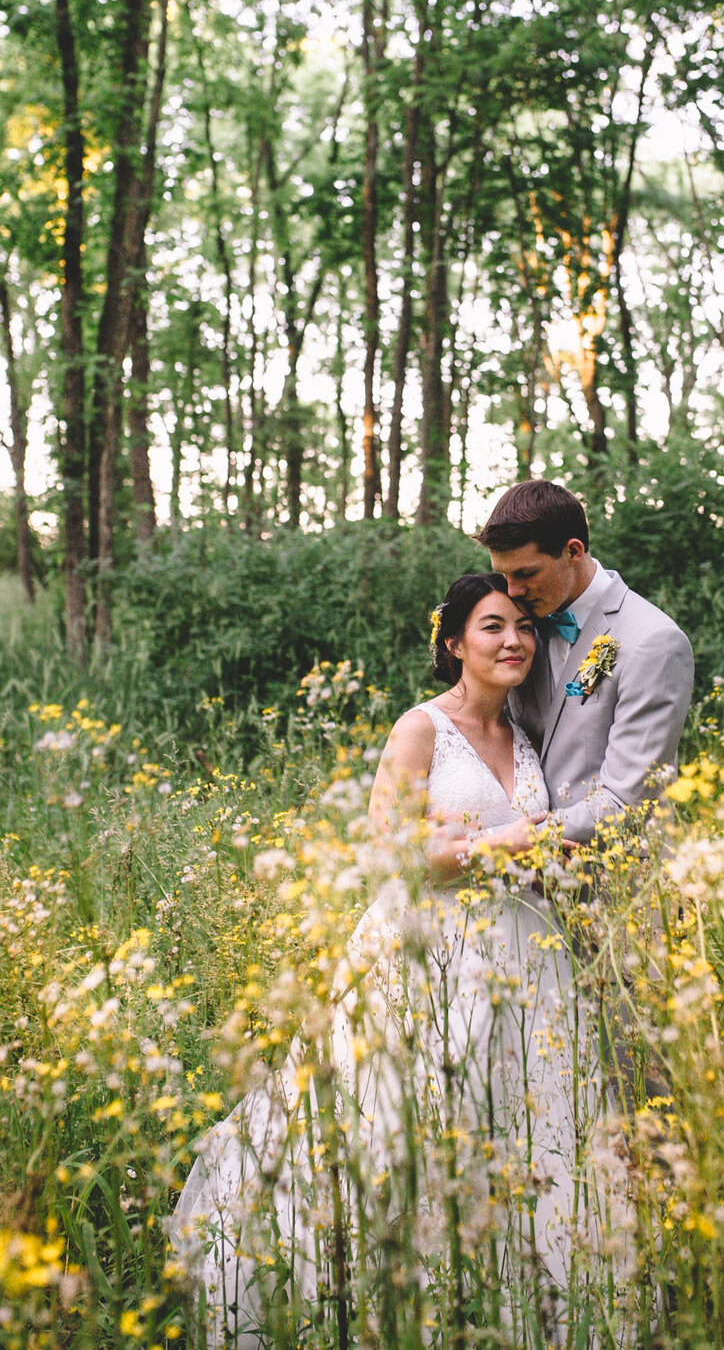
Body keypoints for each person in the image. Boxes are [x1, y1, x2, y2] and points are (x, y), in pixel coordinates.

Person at [167, 574, 612, 1347]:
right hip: (427, 955)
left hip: (528, 957)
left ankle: (516, 1305)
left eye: (525, 628)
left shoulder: (529, 736)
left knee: (521, 1127)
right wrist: (501, 845)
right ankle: (389, 1301)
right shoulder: (420, 730)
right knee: (405, 1125)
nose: (514, 641)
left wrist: (535, 861)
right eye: (492, 627)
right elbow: (391, 856)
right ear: (453, 643)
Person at [478, 480, 695, 847]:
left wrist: (496, 842)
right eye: (504, 575)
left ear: (573, 551)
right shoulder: (523, 629)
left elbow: (626, 801)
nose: (512, 590)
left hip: (619, 883)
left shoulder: (653, 641)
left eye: (525, 574)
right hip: (530, 890)